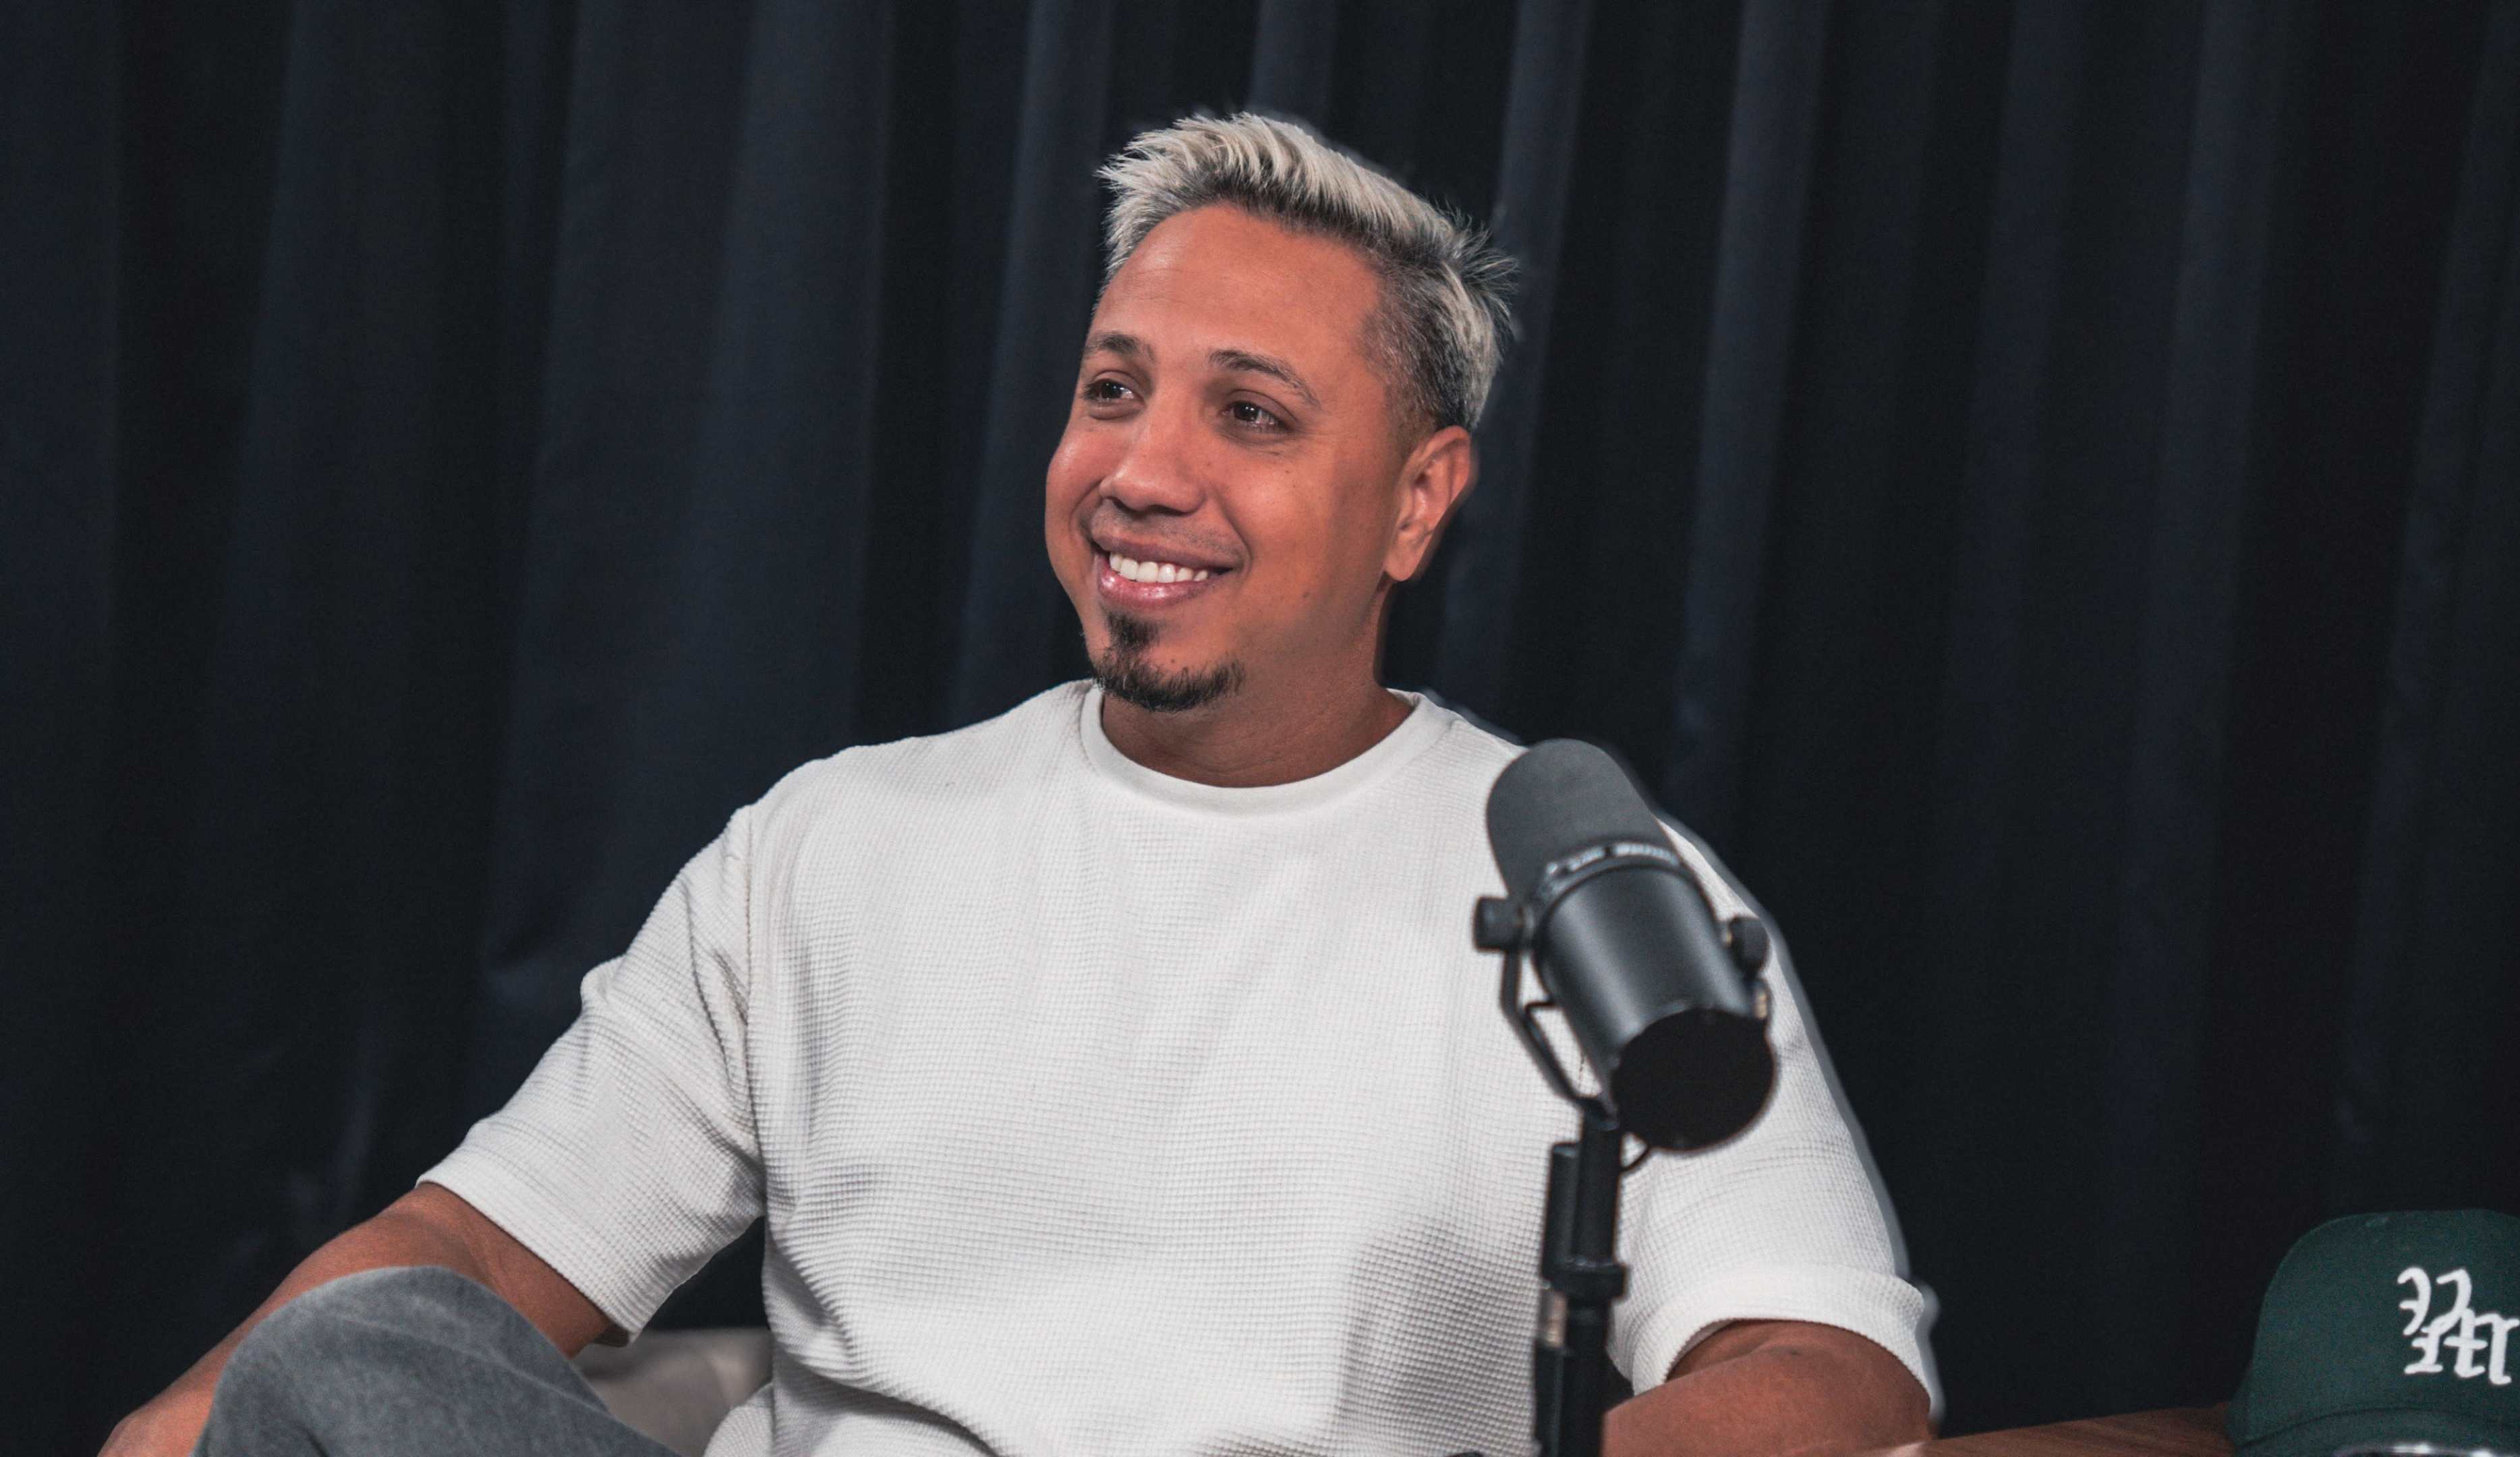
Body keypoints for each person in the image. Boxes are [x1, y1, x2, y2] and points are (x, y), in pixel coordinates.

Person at [107, 113, 1937, 1457]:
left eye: (1251, 414)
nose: (1142, 471)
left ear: (1419, 499)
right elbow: (477, 1257)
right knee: (359, 1353)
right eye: (1111, 390)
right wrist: (189, 1422)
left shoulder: (1597, 892)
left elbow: (1831, 1365)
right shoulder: (837, 844)